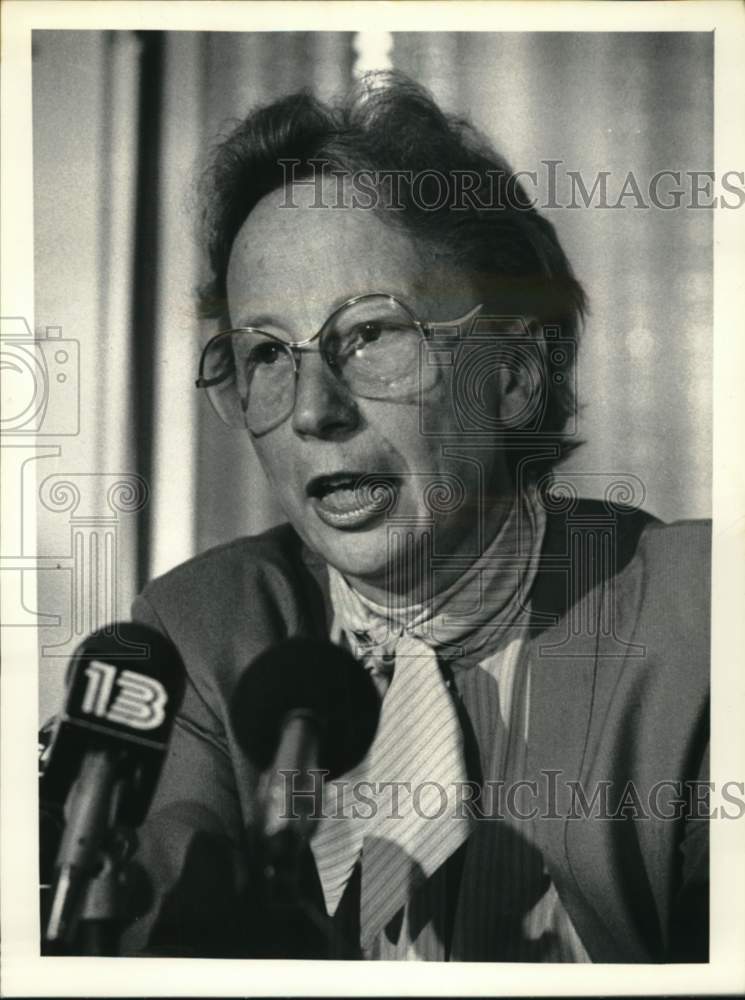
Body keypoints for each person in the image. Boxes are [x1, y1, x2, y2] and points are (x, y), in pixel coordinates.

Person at [121, 73, 709, 962]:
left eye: (369, 334)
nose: (313, 410)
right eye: (267, 354)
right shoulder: (206, 633)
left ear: (510, 378)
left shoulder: (701, 623)